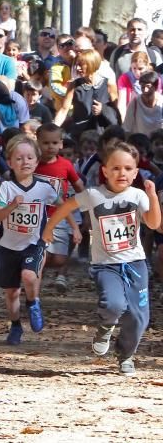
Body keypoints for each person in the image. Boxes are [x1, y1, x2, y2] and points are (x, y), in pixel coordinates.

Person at [43, 142, 159, 375]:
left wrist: (152, 196)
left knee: (138, 318)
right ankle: (106, 326)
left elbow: (155, 224)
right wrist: (49, 228)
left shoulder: (137, 195)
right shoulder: (94, 195)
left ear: (135, 172)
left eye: (128, 168)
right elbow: (66, 206)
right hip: (106, 266)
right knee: (114, 304)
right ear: (104, 170)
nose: (122, 173)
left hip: (136, 263)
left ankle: (125, 354)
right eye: (115, 168)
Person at [0, 135, 59, 345]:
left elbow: (63, 206)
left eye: (30, 157)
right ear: (10, 162)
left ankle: (33, 302)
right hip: (8, 246)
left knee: (29, 276)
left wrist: (73, 227)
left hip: (34, 243)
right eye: (19, 158)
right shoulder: (5, 187)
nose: (25, 162)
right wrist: (12, 206)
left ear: (37, 161)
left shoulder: (45, 187)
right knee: (11, 292)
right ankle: (15, 326)